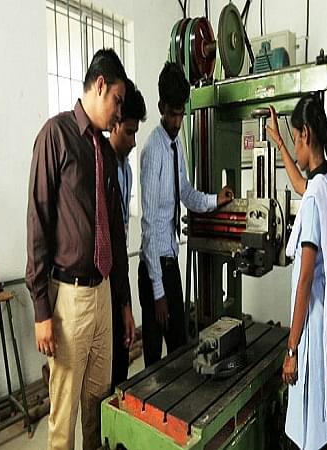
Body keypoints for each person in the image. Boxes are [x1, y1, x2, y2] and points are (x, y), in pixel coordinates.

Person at [26, 48, 132, 450]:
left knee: (97, 403)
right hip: (69, 299)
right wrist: (41, 311)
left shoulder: (104, 152)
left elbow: (115, 234)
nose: (119, 114)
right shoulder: (56, 136)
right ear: (100, 85)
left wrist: (123, 302)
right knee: (64, 413)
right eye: (117, 101)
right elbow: (38, 223)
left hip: (102, 294)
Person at [267, 95, 327, 450]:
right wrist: (279, 143)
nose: (295, 146)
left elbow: (304, 280)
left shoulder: (316, 198)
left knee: (307, 429)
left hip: (311, 330)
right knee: (317, 423)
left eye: (295, 137)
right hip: (321, 322)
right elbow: (301, 184)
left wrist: (291, 349)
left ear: (307, 134)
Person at [139, 62, 234, 367]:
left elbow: (187, 193)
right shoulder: (153, 151)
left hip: (170, 263)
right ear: (160, 108)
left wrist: (216, 199)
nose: (178, 122)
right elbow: (149, 226)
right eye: (172, 114)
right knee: (153, 360)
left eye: (181, 114)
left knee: (178, 348)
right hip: (153, 268)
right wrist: (158, 293)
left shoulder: (176, 144)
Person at [107, 79, 146, 388]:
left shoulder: (127, 171)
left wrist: (126, 302)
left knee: (121, 359)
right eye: (129, 132)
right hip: (101, 280)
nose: (133, 142)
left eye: (136, 133)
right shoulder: (101, 166)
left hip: (119, 274)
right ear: (114, 124)